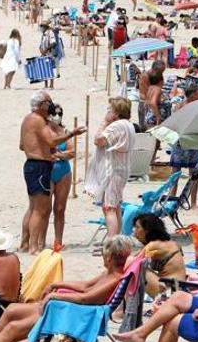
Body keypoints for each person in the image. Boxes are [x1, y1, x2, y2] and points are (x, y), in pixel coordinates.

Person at [0, 236, 133, 342]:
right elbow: (85, 286)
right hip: (68, 308)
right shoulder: (108, 274)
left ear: (110, 257)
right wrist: (55, 284)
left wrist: (55, 295)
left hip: (75, 314)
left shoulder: (113, 279)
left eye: (104, 255)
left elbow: (85, 299)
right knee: (12, 309)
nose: (103, 258)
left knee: (13, 328)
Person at [19, 91, 87, 254]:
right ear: (42, 104)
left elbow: (23, 144)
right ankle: (34, 246)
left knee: (35, 206)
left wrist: (44, 148)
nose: (51, 105)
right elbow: (50, 140)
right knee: (40, 209)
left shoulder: (29, 119)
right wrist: (72, 133)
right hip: (40, 165)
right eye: (49, 102)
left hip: (35, 164)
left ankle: (25, 243)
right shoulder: (37, 120)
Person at [85, 97, 136, 237]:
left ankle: (112, 242)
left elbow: (98, 140)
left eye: (110, 109)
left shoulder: (117, 125)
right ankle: (116, 239)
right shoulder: (128, 125)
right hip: (121, 169)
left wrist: (104, 122)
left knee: (109, 208)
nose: (108, 111)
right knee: (116, 206)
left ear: (116, 112)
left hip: (113, 171)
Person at [128, 214, 186, 297]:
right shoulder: (163, 243)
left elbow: (133, 259)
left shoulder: (154, 245)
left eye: (137, 227)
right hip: (177, 286)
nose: (134, 231)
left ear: (147, 230)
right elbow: (138, 255)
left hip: (170, 290)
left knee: (134, 266)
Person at [168, 83, 198, 207]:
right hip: (184, 140)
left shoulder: (189, 105)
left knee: (191, 173)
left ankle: (192, 202)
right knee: (177, 172)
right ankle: (174, 199)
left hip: (190, 140)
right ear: (192, 96)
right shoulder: (182, 106)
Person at [48, 104, 74, 248]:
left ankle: (58, 241)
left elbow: (72, 152)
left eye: (60, 113)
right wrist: (62, 155)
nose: (58, 116)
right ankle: (40, 240)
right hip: (48, 170)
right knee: (45, 209)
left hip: (63, 171)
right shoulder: (44, 131)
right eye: (55, 113)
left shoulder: (65, 132)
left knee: (60, 208)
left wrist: (58, 154)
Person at [138, 60, 166, 131]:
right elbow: (145, 94)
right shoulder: (144, 76)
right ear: (155, 69)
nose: (162, 73)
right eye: (161, 71)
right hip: (145, 103)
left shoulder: (158, 74)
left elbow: (161, 85)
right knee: (144, 128)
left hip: (154, 103)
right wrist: (157, 116)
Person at [39, 20, 57, 89]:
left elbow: (53, 43)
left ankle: (51, 85)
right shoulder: (43, 34)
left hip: (50, 53)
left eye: (42, 26)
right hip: (44, 54)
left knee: (51, 68)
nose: (41, 28)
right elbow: (41, 44)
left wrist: (46, 50)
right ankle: (46, 85)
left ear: (45, 27)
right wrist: (41, 50)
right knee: (44, 69)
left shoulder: (50, 33)